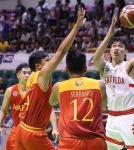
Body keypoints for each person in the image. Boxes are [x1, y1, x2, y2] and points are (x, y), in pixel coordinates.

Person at [15, 8, 85, 150]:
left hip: (21, 129)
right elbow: (61, 51)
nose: (51, 61)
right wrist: (76, 27)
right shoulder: (41, 74)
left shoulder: (31, 78)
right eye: (47, 60)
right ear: (38, 66)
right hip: (34, 133)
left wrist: (53, 127)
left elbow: (48, 106)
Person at [93, 13, 134, 150]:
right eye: (114, 46)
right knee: (110, 148)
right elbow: (95, 59)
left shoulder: (129, 65)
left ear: (125, 52)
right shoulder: (105, 67)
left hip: (129, 116)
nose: (116, 48)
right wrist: (108, 35)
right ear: (110, 51)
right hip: (112, 117)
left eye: (120, 46)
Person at [49, 50, 107, 150]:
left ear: (66, 69)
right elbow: (104, 107)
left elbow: (51, 103)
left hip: (69, 142)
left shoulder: (58, 87)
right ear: (85, 68)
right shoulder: (100, 85)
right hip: (96, 141)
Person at [0, 63, 31, 149]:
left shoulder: (35, 91)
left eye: (29, 73)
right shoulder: (10, 91)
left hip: (32, 131)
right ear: (18, 75)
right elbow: (3, 110)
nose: (27, 75)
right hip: (16, 130)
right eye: (24, 73)